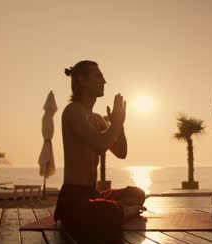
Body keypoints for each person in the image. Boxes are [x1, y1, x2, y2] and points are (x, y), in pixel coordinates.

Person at [54, 60, 146, 233]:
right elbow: (100, 146)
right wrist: (116, 124)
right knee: (107, 211)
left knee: (137, 193)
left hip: (93, 194)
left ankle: (119, 210)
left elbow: (121, 152)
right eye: (98, 76)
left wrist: (121, 125)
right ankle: (123, 211)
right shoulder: (73, 111)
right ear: (82, 79)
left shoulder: (97, 118)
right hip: (74, 197)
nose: (104, 81)